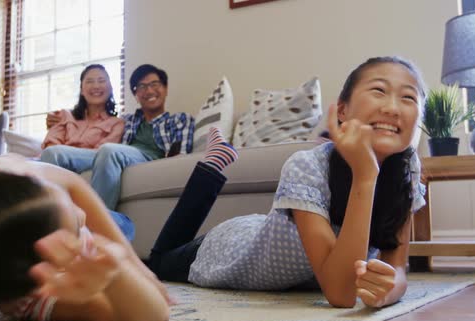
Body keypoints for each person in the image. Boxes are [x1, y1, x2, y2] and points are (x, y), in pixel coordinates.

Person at [145, 56, 427, 308]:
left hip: (263, 228)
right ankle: (210, 167)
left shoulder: (407, 170)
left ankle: (212, 163)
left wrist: (392, 290)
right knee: (157, 263)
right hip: (230, 250)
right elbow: (341, 294)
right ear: (342, 110)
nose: (392, 108)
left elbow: (396, 265)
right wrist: (365, 177)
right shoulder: (308, 165)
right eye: (379, 90)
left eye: (408, 98)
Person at [0, 127, 235, 321]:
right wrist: (118, 274)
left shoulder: (5, 182)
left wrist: (139, 269)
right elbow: (153, 316)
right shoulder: (39, 298)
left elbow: (75, 185)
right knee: (138, 240)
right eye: (76, 227)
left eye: (64, 201)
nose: (82, 215)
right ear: (48, 274)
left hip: (105, 220)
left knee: (134, 244)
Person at [43, 64, 195, 211]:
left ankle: (98, 226)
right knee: (53, 153)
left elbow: (180, 154)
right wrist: (55, 118)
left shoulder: (180, 119)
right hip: (121, 155)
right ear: (136, 95)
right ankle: (44, 221)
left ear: (165, 88)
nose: (149, 90)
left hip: (150, 157)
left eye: (155, 84)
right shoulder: (127, 120)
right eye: (142, 87)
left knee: (109, 150)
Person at [40, 64, 125, 152]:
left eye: (101, 81)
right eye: (89, 81)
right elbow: (50, 147)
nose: (96, 86)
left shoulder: (117, 124)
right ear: (81, 90)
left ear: (110, 89)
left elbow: (101, 156)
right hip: (51, 163)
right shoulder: (64, 115)